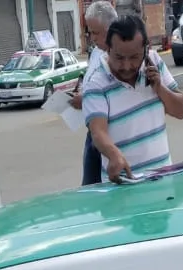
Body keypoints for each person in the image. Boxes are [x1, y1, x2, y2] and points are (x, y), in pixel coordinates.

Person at [81, 14, 183, 184]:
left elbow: (181, 111)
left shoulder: (155, 64)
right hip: (122, 187)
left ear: (146, 48)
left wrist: (159, 88)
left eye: (134, 57)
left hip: (163, 183)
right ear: (107, 48)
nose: (127, 66)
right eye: (119, 58)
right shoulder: (96, 83)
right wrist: (114, 155)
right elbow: (97, 131)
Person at [70, 0, 117, 185]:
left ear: (111, 28)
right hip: (93, 133)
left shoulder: (121, 58)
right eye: (89, 32)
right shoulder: (97, 52)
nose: (92, 37)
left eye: (96, 32)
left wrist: (86, 99)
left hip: (108, 133)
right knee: (90, 187)